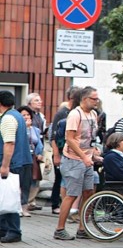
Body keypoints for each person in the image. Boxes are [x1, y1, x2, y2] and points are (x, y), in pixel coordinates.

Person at [54, 86, 103, 240]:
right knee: (72, 194)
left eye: (97, 98)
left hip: (87, 159)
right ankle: (59, 229)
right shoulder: (75, 114)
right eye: (94, 99)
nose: (96, 101)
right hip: (74, 160)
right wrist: (84, 156)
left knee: (88, 193)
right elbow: (70, 138)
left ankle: (82, 228)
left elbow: (90, 137)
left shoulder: (94, 114)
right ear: (84, 99)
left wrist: (94, 151)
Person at [0, 91, 31, 243]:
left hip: (11, 163)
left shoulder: (8, 118)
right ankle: (4, 229)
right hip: (20, 161)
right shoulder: (16, 115)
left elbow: (9, 143)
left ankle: (13, 230)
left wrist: (5, 166)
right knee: (5, 195)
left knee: (9, 196)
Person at [49, 86, 79, 215]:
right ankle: (57, 204)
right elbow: (53, 136)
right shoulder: (62, 113)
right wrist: (56, 155)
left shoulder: (80, 113)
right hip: (62, 151)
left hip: (74, 153)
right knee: (60, 179)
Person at [17, 106, 43, 217]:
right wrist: (25, 129)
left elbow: (39, 143)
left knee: (28, 183)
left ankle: (25, 207)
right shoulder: (17, 128)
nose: (26, 117)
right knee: (18, 184)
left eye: (28, 115)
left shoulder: (35, 129)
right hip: (19, 158)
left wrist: (40, 153)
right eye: (23, 115)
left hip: (31, 158)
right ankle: (17, 207)